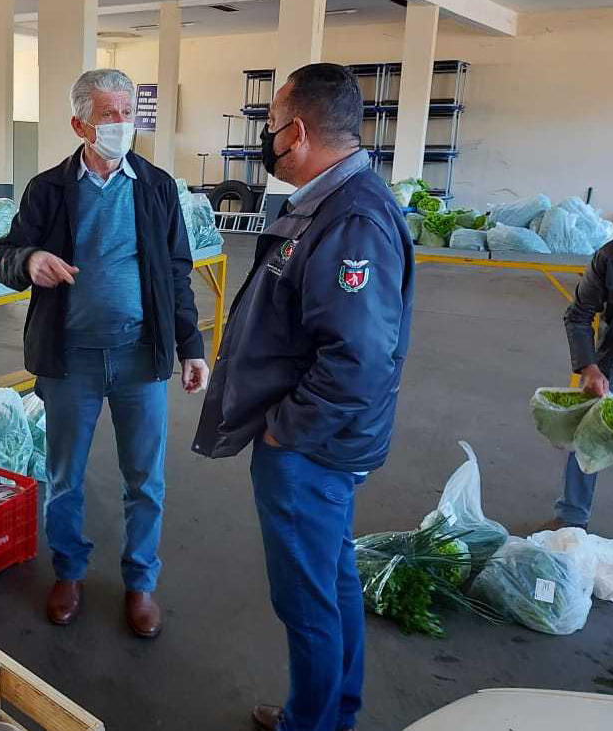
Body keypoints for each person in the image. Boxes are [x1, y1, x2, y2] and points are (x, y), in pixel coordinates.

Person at [193, 63, 414, 731]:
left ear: (295, 131)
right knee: (332, 582)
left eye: (268, 128)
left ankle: (311, 724)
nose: (267, 141)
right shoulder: (330, 202)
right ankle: (328, 713)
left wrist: (285, 432)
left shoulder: (351, 219)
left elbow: (358, 360)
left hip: (311, 447)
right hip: (320, 442)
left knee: (307, 601)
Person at [0, 68, 209, 639]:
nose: (121, 124)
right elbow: (5, 253)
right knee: (64, 475)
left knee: (146, 479)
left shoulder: (158, 187)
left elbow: (176, 272)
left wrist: (191, 346)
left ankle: (141, 581)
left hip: (141, 358)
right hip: (72, 361)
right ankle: (68, 571)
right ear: (79, 124)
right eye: (108, 114)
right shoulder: (49, 189)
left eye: (127, 112)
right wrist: (30, 259)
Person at [547, 231, 613, 531]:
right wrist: (589, 367)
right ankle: (572, 519)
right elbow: (579, 314)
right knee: (587, 433)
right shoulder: (610, 257)